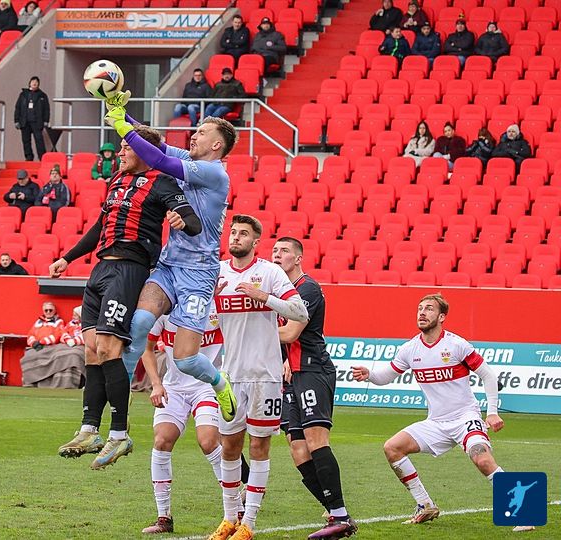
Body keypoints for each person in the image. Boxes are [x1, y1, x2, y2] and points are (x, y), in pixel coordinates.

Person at [50, 125, 203, 469]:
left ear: (145, 152)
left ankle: (119, 433)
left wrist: (182, 220)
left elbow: (193, 223)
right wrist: (68, 258)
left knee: (109, 348)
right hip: (101, 269)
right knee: (92, 350)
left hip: (129, 270)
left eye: (126, 148)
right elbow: (99, 227)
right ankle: (90, 429)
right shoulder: (116, 181)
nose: (119, 153)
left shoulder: (163, 183)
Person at [101, 101, 241, 442]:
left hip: (199, 273)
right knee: (139, 324)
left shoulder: (215, 173)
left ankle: (220, 383)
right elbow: (156, 144)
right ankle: (117, 409)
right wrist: (123, 112)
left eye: (202, 132)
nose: (194, 135)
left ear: (216, 145)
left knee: (185, 359)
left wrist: (122, 126)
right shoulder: (191, 159)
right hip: (169, 264)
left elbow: (159, 160)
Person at [349, 294, 531, 531]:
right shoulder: (410, 349)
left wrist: (492, 412)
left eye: (429, 309)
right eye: (419, 308)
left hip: (465, 418)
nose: (422, 313)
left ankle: (525, 513)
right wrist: (369, 375)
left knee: (482, 459)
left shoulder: (457, 345)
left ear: (442, 316)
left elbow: (488, 375)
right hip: (436, 423)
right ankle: (425, 505)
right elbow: (387, 376)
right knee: (392, 447)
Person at [206, 215, 308, 540]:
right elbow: (205, 322)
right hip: (231, 376)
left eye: (243, 234)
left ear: (255, 241)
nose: (236, 237)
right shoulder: (217, 272)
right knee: (229, 446)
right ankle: (229, 518)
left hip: (265, 375)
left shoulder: (270, 272)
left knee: (259, 446)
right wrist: (208, 303)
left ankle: (249, 523)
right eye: (233, 232)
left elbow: (300, 312)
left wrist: (265, 297)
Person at [272, 237, 355, 540]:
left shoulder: (307, 289)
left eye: (284, 251)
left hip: (313, 369)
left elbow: (292, 331)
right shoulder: (279, 292)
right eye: (274, 250)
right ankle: (336, 513)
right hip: (293, 373)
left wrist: (251, 330)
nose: (277, 255)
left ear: (298, 258)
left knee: (315, 439)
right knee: (297, 447)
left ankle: (340, 515)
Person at [139, 305, 224, 535]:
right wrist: (156, 384)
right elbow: (146, 348)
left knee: (208, 442)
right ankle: (164, 518)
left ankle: (235, 510)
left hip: (208, 385)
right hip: (174, 387)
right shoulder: (165, 307)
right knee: (161, 441)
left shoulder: (215, 304)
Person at [14, 76, 50, 161]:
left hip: (37, 121)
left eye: (36, 82)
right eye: (33, 81)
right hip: (25, 121)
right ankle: (29, 157)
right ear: (29, 83)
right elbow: (18, 107)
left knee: (39, 140)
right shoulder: (23, 94)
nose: (34, 83)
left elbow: (46, 109)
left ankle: (42, 157)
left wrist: (46, 120)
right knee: (26, 141)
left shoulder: (42, 95)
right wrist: (16, 120)